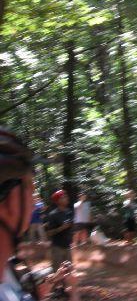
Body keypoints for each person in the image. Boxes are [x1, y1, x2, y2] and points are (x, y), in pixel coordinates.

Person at [0, 127, 79, 300]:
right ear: (13, 202)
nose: (35, 201)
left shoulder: (6, 271)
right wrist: (74, 294)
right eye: (32, 190)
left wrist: (45, 287)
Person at [45, 190, 73, 272]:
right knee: (57, 272)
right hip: (57, 248)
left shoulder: (69, 212)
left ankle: (67, 285)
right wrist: (61, 228)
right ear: (58, 201)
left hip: (67, 247)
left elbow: (70, 227)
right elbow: (48, 233)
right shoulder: (53, 215)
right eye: (64, 197)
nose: (67, 198)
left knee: (69, 272)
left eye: (66, 196)